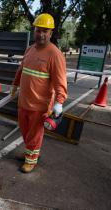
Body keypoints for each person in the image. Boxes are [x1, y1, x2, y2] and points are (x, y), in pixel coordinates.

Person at [11, 13, 67, 173]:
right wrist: (14, 86)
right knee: (25, 131)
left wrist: (59, 102)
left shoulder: (54, 54)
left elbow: (60, 81)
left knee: (35, 134)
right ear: (34, 30)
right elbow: (21, 70)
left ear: (50, 33)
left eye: (45, 31)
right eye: (38, 30)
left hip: (40, 105)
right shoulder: (30, 50)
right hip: (24, 102)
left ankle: (31, 160)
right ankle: (30, 152)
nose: (41, 34)